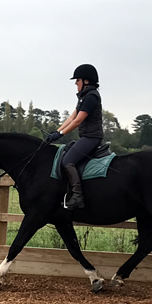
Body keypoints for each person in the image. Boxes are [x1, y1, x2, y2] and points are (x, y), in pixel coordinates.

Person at [46, 64, 104, 209]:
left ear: (86, 81)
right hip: (86, 137)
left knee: (68, 161)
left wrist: (60, 134)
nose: (75, 83)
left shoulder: (91, 97)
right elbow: (72, 117)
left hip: (92, 138)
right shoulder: (83, 97)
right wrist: (56, 132)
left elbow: (78, 121)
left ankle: (78, 197)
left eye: (77, 80)